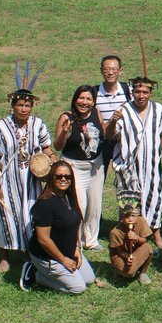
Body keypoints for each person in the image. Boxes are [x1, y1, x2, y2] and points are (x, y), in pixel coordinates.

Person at [0, 83, 54, 273]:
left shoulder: (38, 125)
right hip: (7, 180)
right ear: (13, 106)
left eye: (27, 105)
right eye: (20, 105)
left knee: (29, 217)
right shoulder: (0, 127)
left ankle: (28, 254)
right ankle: (4, 256)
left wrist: (51, 158)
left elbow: (47, 148)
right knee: (5, 217)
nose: (24, 109)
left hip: (31, 181)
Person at [106, 76, 162, 249]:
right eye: (137, 92)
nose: (141, 95)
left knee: (155, 198)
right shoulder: (124, 110)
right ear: (132, 93)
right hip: (128, 166)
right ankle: (128, 233)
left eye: (145, 92)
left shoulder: (158, 110)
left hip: (152, 165)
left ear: (151, 93)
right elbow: (110, 135)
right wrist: (113, 120)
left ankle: (155, 232)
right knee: (129, 200)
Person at [24, 161, 98, 293]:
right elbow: (43, 240)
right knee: (78, 288)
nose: (63, 179)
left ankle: (54, 272)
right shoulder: (45, 204)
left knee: (89, 279)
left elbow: (74, 225)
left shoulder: (68, 196)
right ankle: (36, 274)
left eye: (67, 176)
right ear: (51, 178)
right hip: (47, 257)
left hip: (67, 251)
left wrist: (77, 249)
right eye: (59, 176)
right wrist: (64, 260)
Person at [53, 85, 104, 251]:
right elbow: (58, 146)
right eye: (81, 98)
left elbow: (104, 133)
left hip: (96, 165)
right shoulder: (66, 117)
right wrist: (64, 133)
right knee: (79, 205)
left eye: (88, 99)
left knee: (95, 205)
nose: (84, 102)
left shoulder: (96, 113)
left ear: (93, 101)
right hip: (74, 166)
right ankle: (74, 241)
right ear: (75, 100)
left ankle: (91, 240)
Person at [94, 55, 132, 181]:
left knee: (125, 180)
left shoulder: (129, 91)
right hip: (101, 143)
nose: (110, 72)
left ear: (120, 70)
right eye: (106, 69)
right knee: (97, 179)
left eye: (114, 69)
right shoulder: (94, 93)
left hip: (123, 142)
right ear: (101, 71)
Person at [108, 195, 154, 284]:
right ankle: (119, 269)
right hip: (121, 255)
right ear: (121, 218)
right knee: (130, 273)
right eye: (126, 216)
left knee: (148, 248)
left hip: (135, 251)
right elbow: (118, 251)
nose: (130, 219)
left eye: (133, 216)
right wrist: (126, 256)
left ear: (137, 216)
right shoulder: (115, 232)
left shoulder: (141, 221)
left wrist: (137, 238)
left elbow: (145, 240)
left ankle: (143, 272)